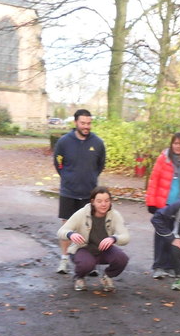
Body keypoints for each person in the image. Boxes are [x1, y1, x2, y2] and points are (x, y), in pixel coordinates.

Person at [53, 108, 106, 274]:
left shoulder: (98, 143)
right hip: (68, 192)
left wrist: (90, 178)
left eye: (89, 123)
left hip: (89, 194)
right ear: (76, 122)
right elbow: (58, 163)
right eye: (83, 123)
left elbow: (100, 165)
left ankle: (89, 263)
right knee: (67, 228)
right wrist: (68, 177)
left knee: (89, 229)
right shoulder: (63, 142)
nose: (86, 126)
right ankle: (64, 260)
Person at [145, 132, 180, 279]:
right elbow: (154, 180)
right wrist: (151, 202)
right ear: (171, 144)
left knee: (177, 236)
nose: (178, 146)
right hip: (164, 204)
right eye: (175, 143)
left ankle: (170, 266)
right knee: (161, 235)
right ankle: (158, 266)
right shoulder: (163, 159)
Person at [56, 186, 130, 292]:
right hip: (83, 249)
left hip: (104, 249)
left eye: (107, 201)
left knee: (122, 259)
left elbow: (126, 237)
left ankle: (107, 277)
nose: (103, 204)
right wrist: (70, 234)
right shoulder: (82, 213)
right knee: (87, 264)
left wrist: (114, 238)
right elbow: (61, 231)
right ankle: (79, 277)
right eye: (99, 201)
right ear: (93, 202)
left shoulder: (114, 215)